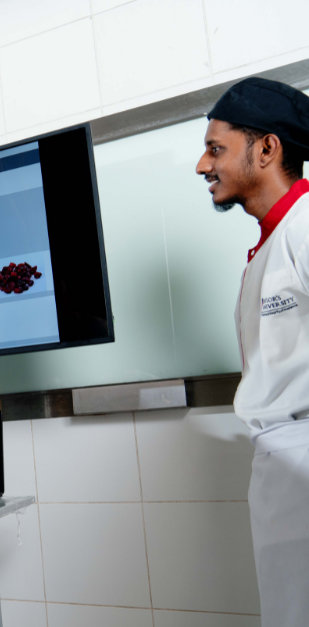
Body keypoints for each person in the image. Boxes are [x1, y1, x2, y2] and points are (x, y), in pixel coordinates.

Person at [196, 76, 309, 627]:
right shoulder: (274, 239)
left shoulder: (306, 227)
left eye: (216, 149)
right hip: (286, 464)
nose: (202, 165)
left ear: (267, 149)